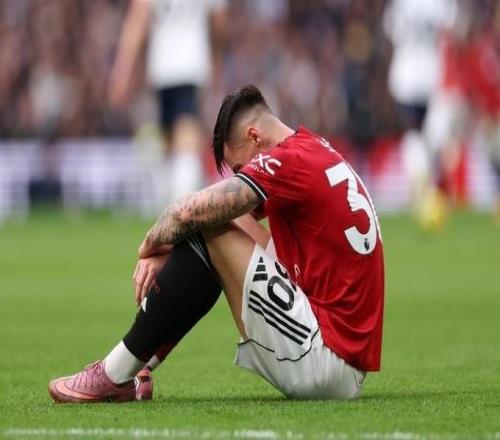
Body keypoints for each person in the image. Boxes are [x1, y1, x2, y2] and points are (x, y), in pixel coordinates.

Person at [49, 85, 384, 402]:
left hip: (324, 361)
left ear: (254, 136)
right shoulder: (316, 149)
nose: (243, 174)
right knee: (219, 223)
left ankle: (113, 374)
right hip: (344, 361)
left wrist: (150, 246)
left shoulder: (285, 160)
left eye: (240, 167)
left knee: (205, 222)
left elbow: (189, 211)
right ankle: (140, 369)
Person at [109, 0, 227, 206]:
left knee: (178, 133)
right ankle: (181, 202)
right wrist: (217, 58)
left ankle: (181, 204)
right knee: (181, 133)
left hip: (163, 65)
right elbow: (219, 22)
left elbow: (138, 19)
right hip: (192, 63)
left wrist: (122, 70)